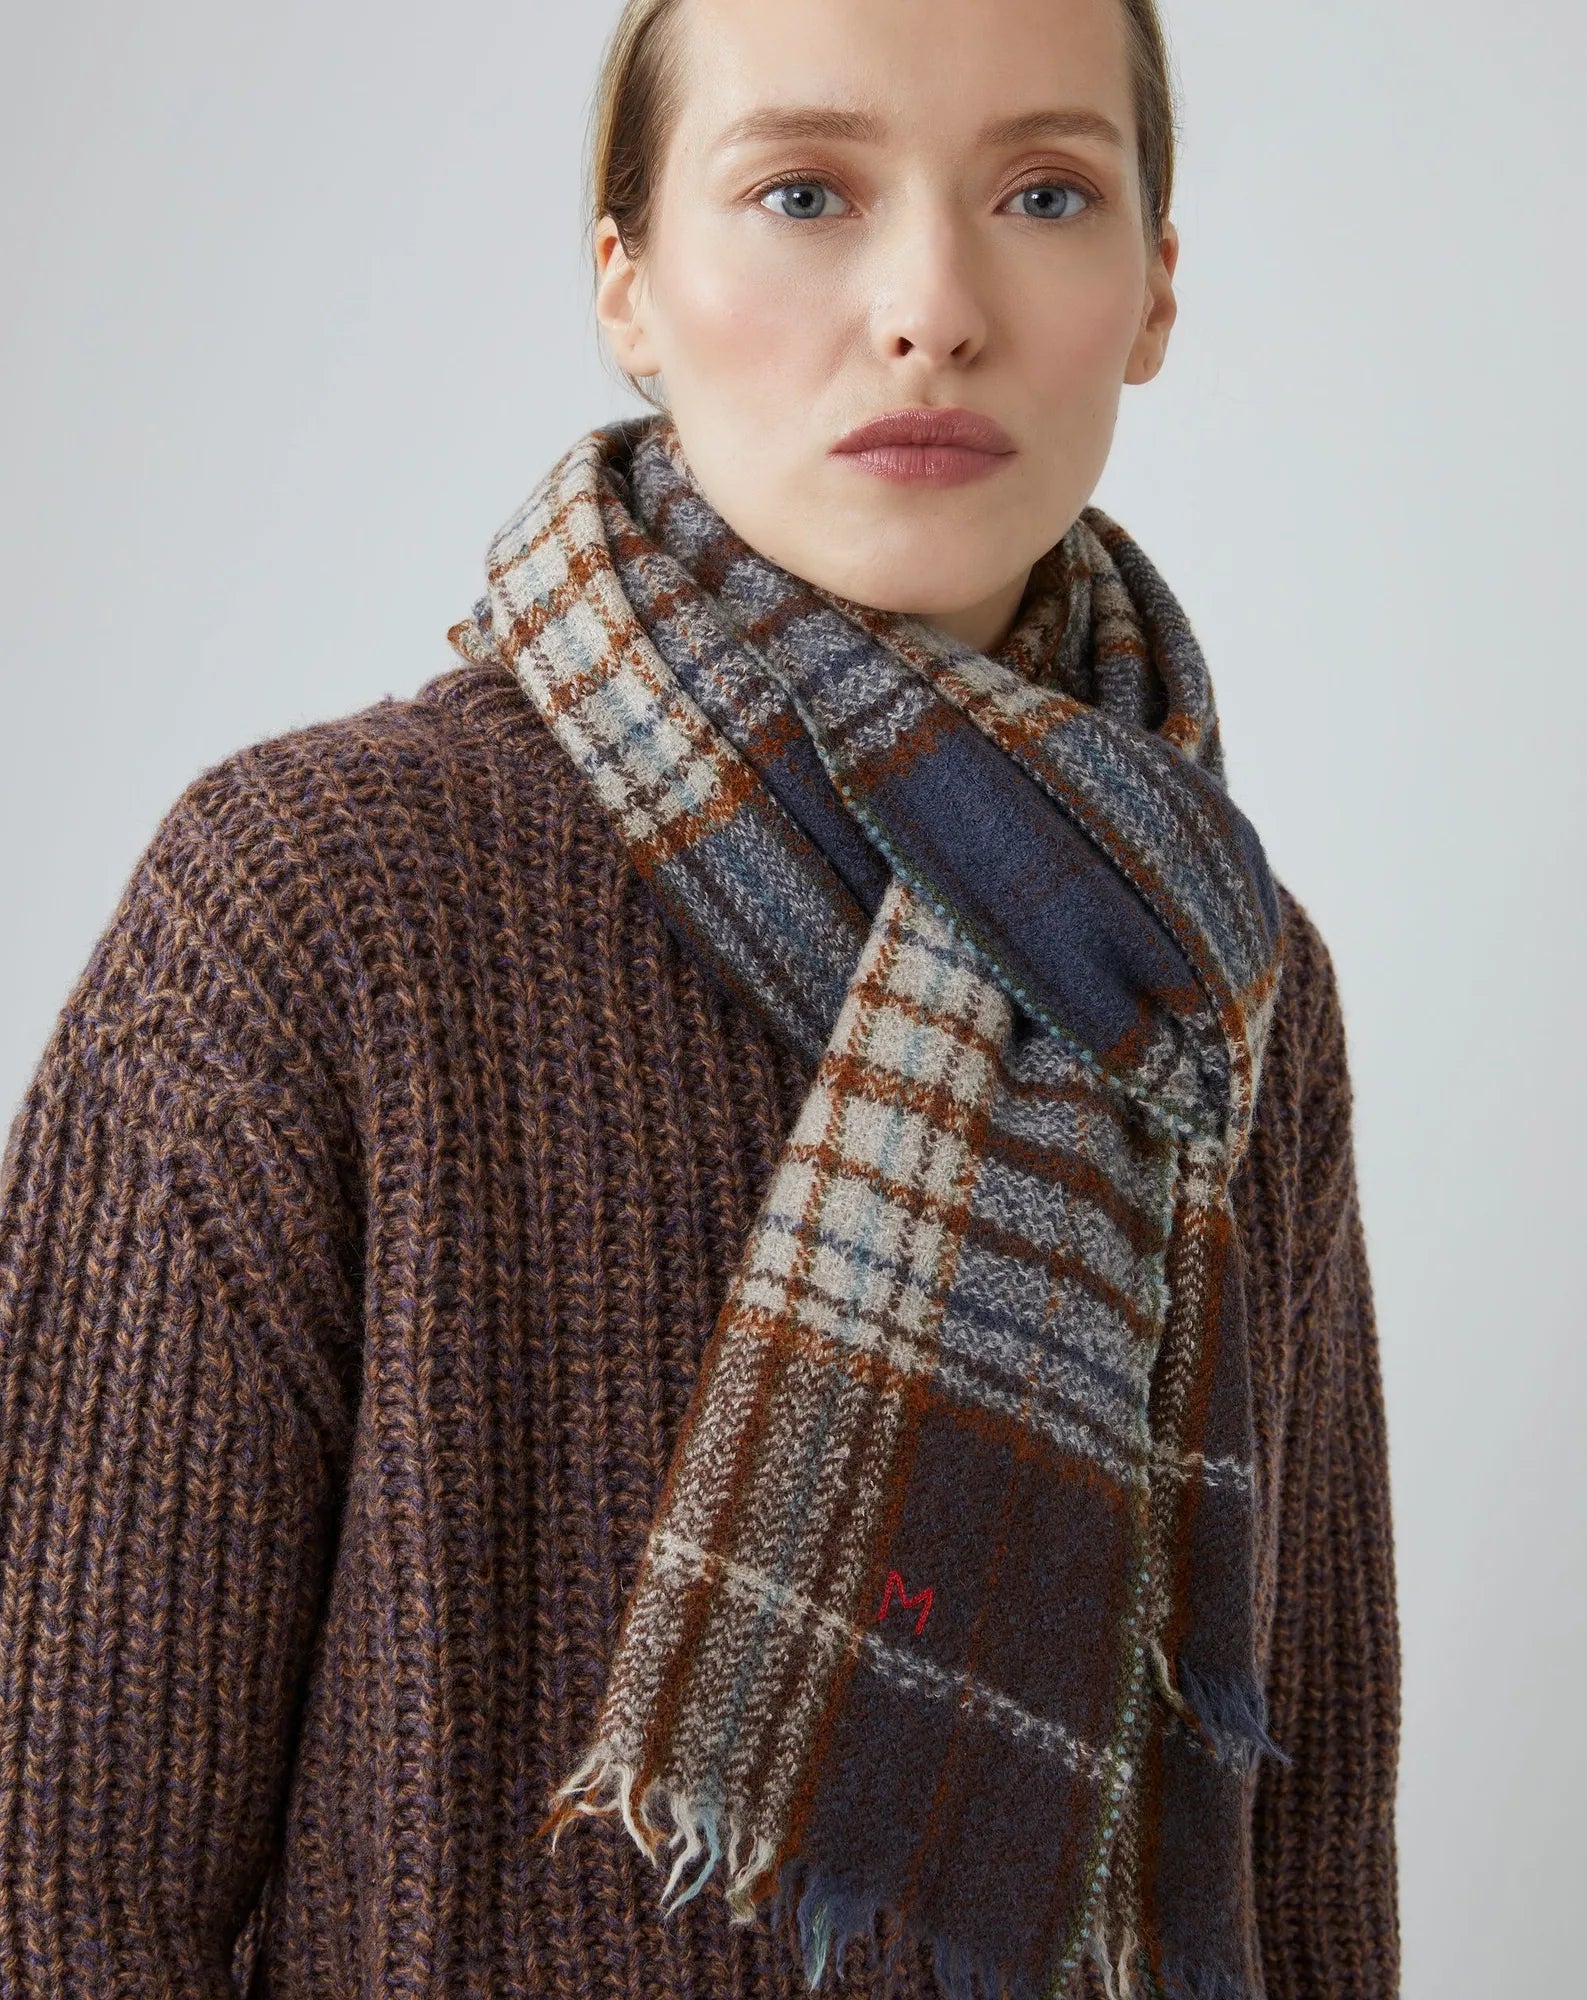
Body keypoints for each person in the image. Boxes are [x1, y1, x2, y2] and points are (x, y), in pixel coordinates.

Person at [0, 0, 1401, 1995]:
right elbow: (53, 1891)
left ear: (1153, 288)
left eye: (1042, 194)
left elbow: (1303, 1848)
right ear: (627, 283)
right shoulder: (318, 907)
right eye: (805, 193)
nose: (930, 310)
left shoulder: (1217, 970)